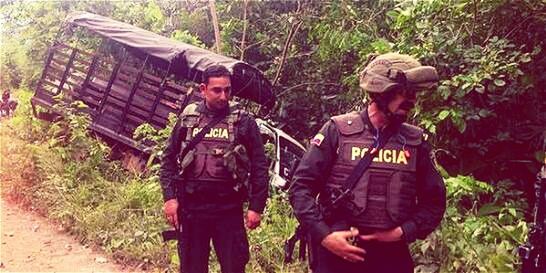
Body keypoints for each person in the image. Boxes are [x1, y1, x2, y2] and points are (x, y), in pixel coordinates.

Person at [288, 53, 447, 273]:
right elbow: (300, 189)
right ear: (382, 92)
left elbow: (434, 202)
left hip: (390, 258)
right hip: (336, 252)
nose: (412, 100)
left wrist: (401, 232)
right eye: (405, 93)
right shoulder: (337, 131)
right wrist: (324, 236)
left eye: (415, 93)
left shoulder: (415, 142)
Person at [159, 65, 269, 273]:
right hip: (192, 209)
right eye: (217, 90)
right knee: (192, 268)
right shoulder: (189, 118)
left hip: (228, 210)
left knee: (234, 267)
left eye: (227, 90)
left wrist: (256, 206)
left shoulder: (243, 120)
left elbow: (259, 165)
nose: (223, 96)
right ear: (203, 89)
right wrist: (169, 198)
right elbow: (168, 159)